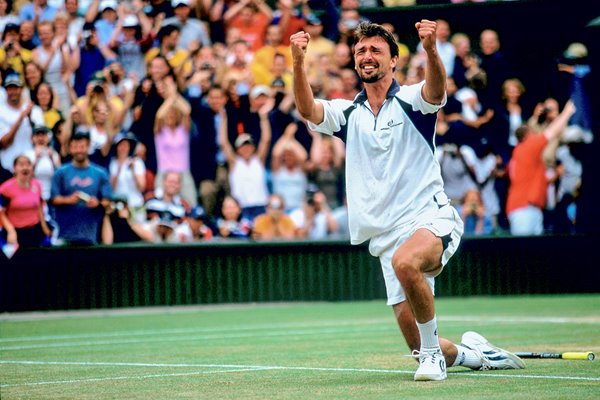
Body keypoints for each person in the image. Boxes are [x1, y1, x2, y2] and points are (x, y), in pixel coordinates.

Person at [290, 20, 526, 381]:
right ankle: (475, 355)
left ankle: (434, 357)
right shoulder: (347, 114)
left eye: (375, 50)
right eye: (361, 51)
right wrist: (297, 62)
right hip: (384, 236)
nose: (367, 56)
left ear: (394, 60)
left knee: (407, 263)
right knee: (419, 348)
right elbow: (308, 109)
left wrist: (431, 49)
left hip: (429, 218)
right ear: (355, 61)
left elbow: (435, 89)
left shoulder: (413, 100)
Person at [506, 101, 576, 236]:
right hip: (524, 209)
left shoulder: (521, 154)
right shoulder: (527, 147)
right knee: (524, 253)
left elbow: (535, 179)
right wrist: (567, 112)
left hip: (529, 208)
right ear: (527, 135)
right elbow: (551, 133)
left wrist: (554, 174)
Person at [50, 129, 113, 245]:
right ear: (70, 148)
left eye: (82, 146)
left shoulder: (100, 173)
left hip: (91, 235)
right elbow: (53, 199)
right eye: (75, 147)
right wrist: (68, 200)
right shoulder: (60, 173)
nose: (79, 150)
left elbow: (107, 200)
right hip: (64, 235)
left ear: (88, 147)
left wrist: (97, 203)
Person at [0, 154, 52, 248]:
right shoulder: (5, 188)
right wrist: (10, 230)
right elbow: (1, 213)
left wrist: (45, 228)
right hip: (15, 232)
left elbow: (40, 207)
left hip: (34, 231)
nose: (25, 167)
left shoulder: (37, 185)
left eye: (28, 164)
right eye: (21, 164)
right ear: (14, 168)